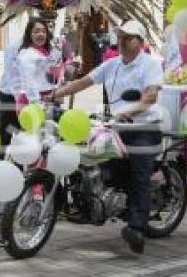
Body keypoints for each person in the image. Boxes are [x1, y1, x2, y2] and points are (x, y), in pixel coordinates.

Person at [50, 20, 163, 254]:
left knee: (139, 178)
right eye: (120, 36)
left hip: (143, 127)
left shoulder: (150, 64)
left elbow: (150, 96)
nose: (121, 41)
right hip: (117, 127)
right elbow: (84, 81)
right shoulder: (112, 65)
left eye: (128, 37)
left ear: (140, 42)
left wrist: (129, 112)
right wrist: (55, 94)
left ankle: (137, 229)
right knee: (107, 170)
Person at [15, 17, 55, 109]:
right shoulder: (27, 54)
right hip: (32, 102)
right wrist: (36, 103)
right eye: (36, 31)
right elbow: (29, 81)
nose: (41, 34)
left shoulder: (47, 52)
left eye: (44, 31)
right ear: (29, 34)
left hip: (47, 98)